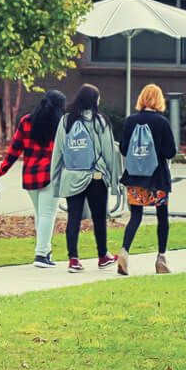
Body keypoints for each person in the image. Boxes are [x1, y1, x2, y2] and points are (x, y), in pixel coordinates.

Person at [52, 84, 123, 274]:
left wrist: (55, 180)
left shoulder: (66, 120)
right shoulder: (101, 121)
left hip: (71, 176)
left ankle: (73, 259)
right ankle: (102, 256)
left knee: (73, 217)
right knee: (99, 217)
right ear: (94, 100)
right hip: (96, 177)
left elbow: (58, 151)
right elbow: (109, 152)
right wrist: (114, 181)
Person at [0, 90, 66, 269]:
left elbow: (15, 149)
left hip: (30, 174)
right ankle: (41, 254)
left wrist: (1, 171)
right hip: (51, 174)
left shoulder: (27, 121)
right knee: (47, 215)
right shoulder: (61, 124)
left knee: (40, 213)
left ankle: (45, 250)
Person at [117, 83, 179, 276]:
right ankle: (161, 258)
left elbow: (124, 150)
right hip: (157, 179)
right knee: (162, 217)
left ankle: (124, 253)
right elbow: (170, 152)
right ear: (160, 100)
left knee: (135, 216)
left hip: (135, 178)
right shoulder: (162, 123)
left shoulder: (130, 121)